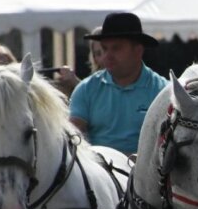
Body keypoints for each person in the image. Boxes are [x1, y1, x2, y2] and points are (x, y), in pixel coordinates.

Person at [68, 12, 167, 154]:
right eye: (104, 48)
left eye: (116, 48)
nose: (107, 56)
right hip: (97, 172)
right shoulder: (85, 89)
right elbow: (72, 139)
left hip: (143, 174)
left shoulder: (162, 92)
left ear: (138, 50)